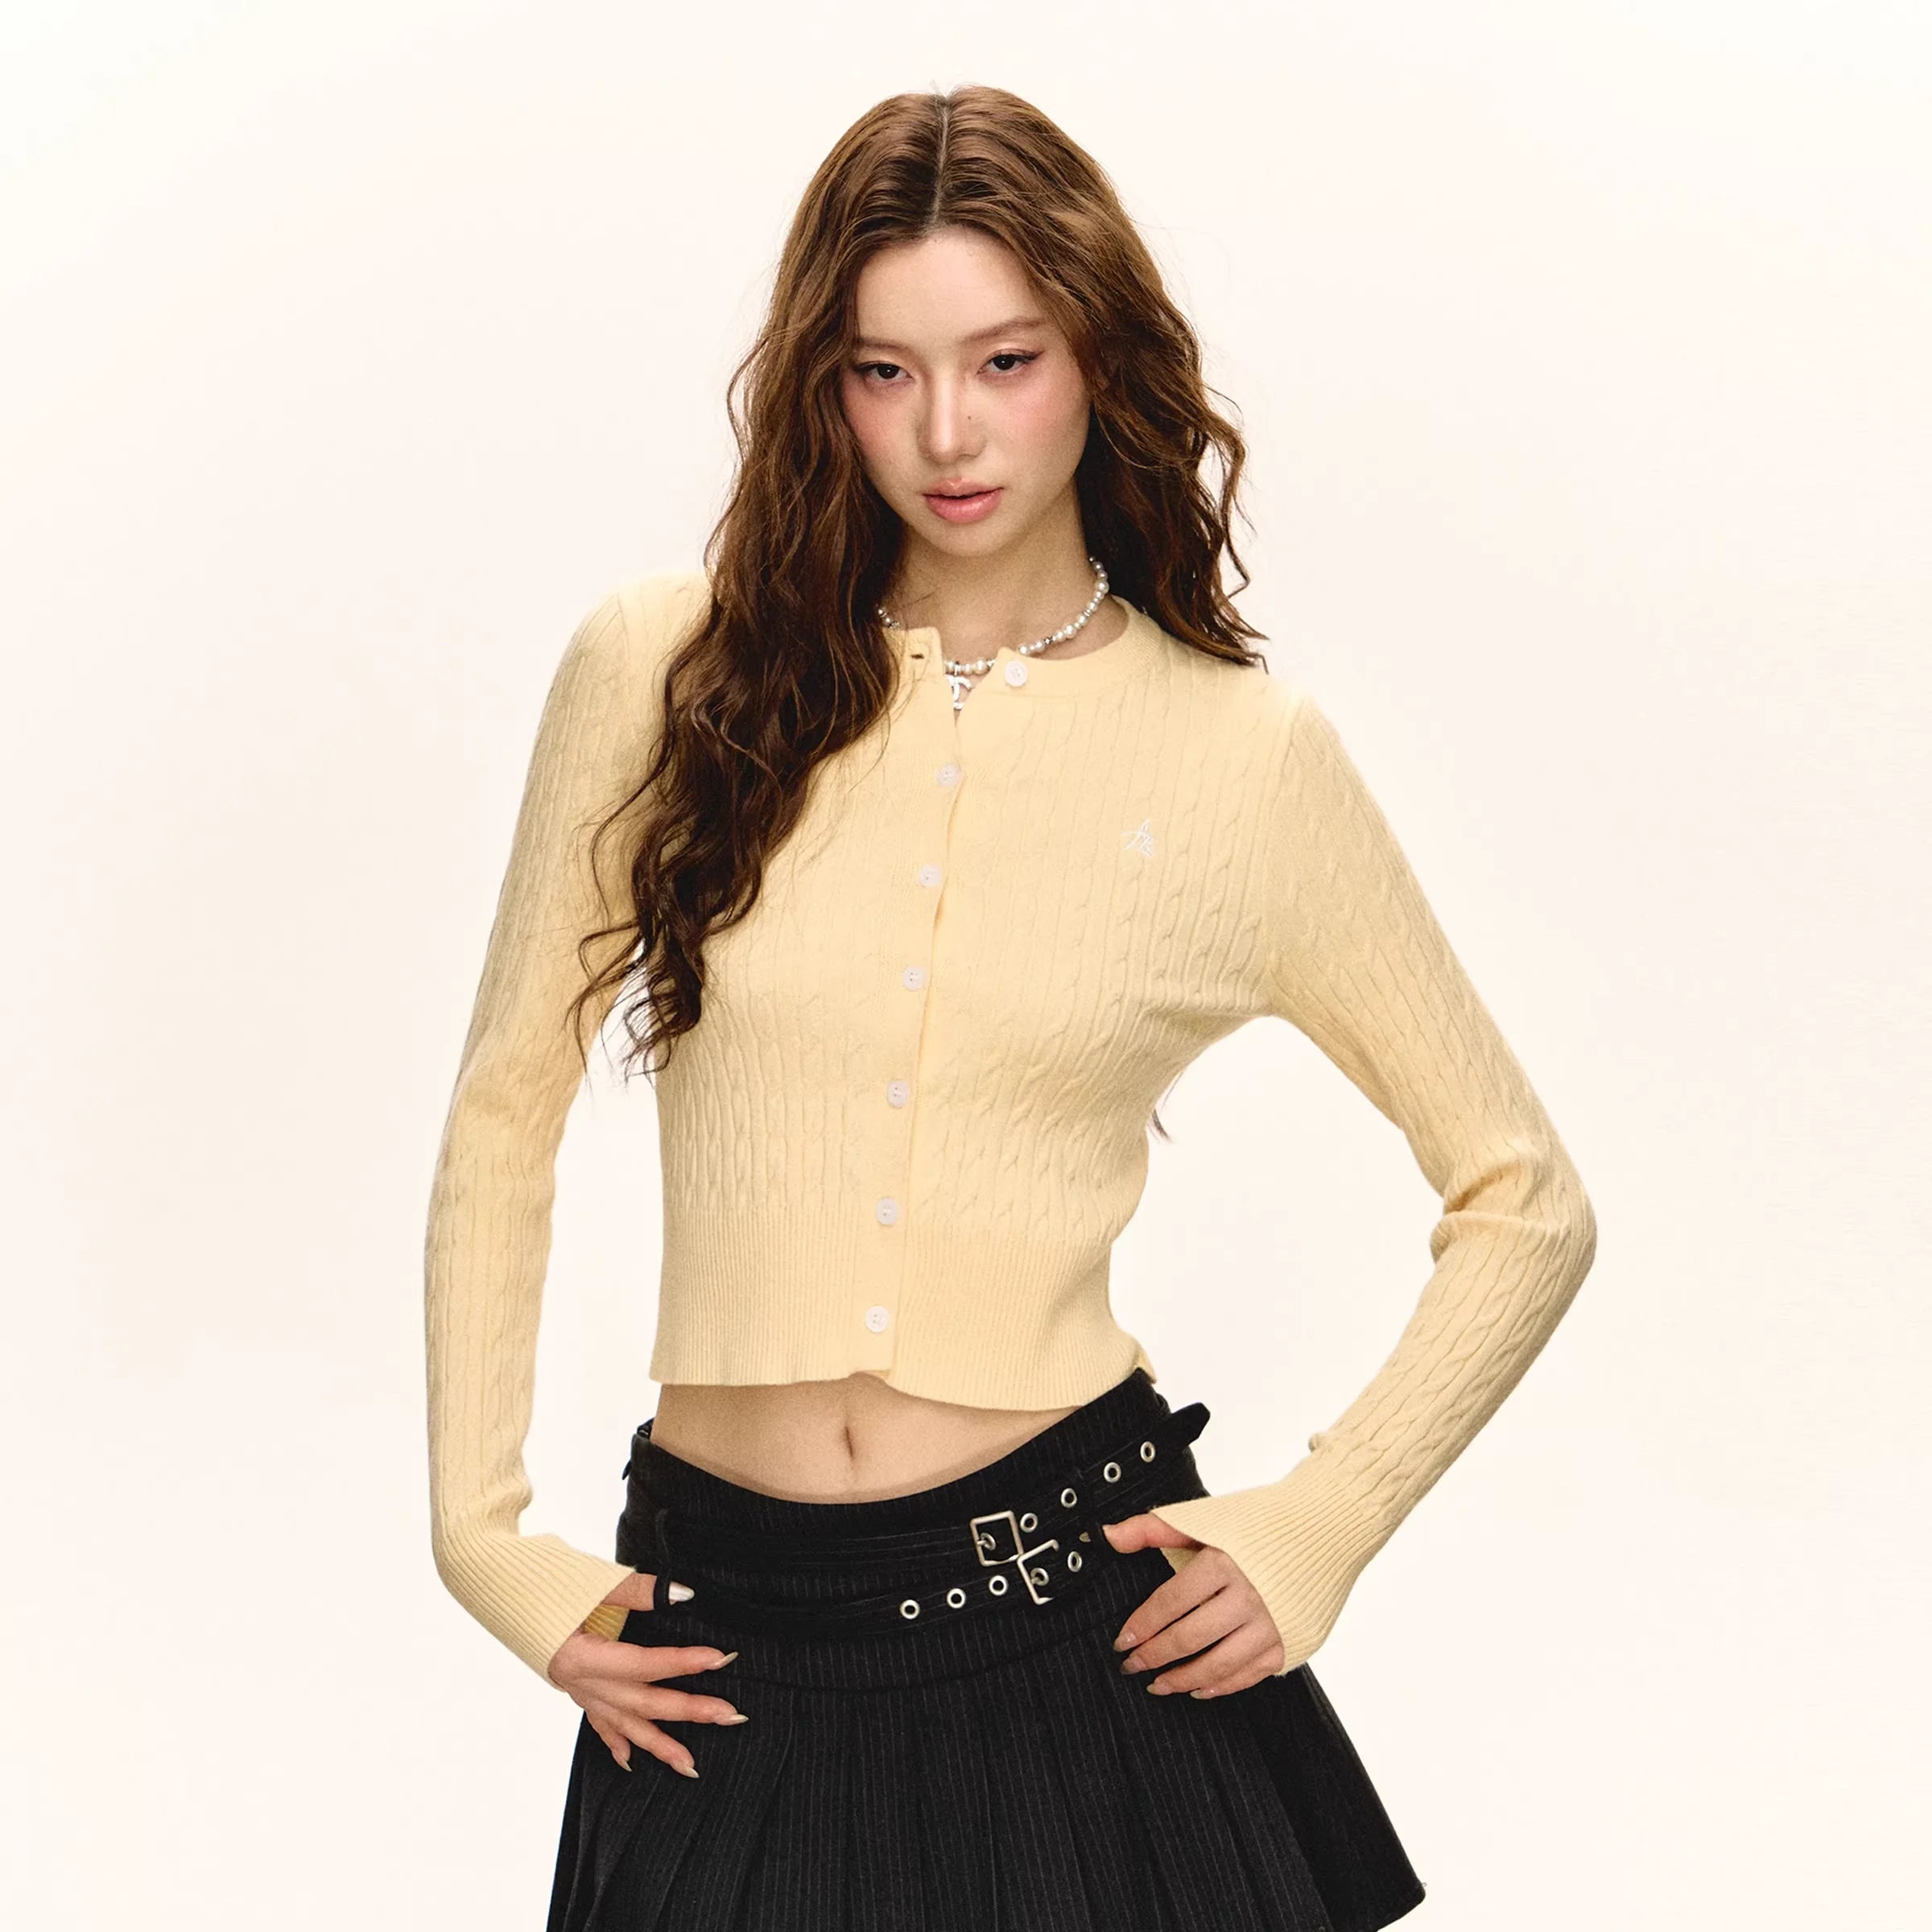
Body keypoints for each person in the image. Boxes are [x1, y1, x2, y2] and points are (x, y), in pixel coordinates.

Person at [423, 83, 1596, 1932]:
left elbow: (1527, 1200)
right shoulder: (667, 671)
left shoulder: (1241, 760)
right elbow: (508, 1105)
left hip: (1083, 1636)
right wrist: (484, 1541)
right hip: (717, 1650)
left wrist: (1325, 1518)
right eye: (883, 372)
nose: (947, 433)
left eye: (1005, 360)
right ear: (822, 386)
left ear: (1096, 357)